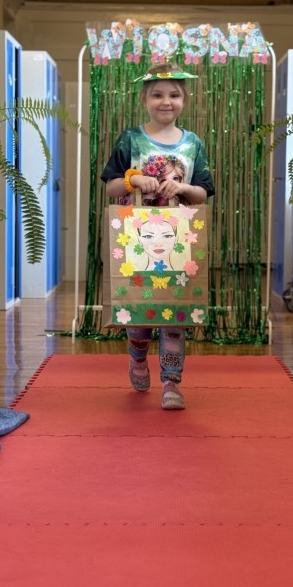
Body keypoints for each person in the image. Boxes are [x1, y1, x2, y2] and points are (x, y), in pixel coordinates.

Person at [101, 63, 215, 410]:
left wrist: (182, 188)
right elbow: (110, 188)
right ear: (144, 99)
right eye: (157, 95)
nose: (166, 101)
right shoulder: (131, 139)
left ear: (185, 99)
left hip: (178, 243)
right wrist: (133, 179)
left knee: (175, 315)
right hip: (136, 243)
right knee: (139, 312)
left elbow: (203, 193)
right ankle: (138, 357)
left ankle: (171, 383)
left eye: (174, 95)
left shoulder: (193, 144)